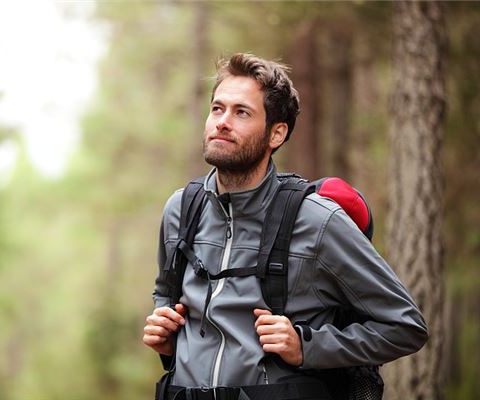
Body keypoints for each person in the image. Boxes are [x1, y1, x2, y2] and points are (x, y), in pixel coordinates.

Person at [142, 53, 428, 400]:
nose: (222, 122)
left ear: (276, 133)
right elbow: (165, 292)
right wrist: (166, 335)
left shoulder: (317, 221)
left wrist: (307, 346)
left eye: (241, 112)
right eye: (217, 109)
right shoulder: (181, 210)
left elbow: (405, 326)